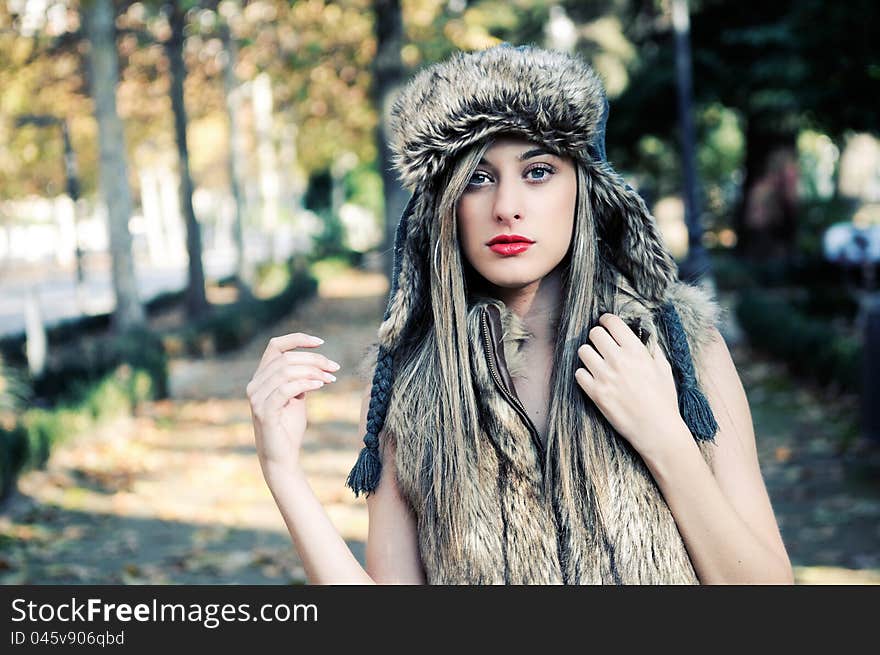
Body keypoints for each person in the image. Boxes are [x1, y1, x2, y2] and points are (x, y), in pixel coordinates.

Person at [247, 44, 794, 584]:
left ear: (585, 188)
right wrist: (283, 473)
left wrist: (664, 438)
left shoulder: (681, 349)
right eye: (479, 178)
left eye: (538, 171)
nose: (506, 206)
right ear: (445, 204)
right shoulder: (410, 389)